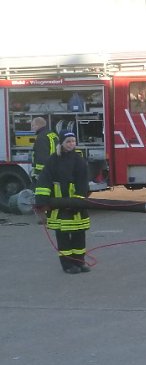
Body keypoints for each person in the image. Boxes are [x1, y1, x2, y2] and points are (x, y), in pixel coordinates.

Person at [33, 131, 91, 274]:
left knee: (79, 234)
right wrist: (41, 201)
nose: (71, 144)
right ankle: (67, 265)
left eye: (73, 141)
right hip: (59, 205)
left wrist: (78, 201)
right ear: (62, 143)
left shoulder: (79, 160)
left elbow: (83, 183)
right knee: (63, 236)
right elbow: (44, 180)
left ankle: (80, 262)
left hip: (76, 205)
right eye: (68, 141)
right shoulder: (53, 160)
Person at [30, 116, 58, 182]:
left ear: (37, 125)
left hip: (45, 172)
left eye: (33, 125)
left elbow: (42, 158)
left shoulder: (41, 137)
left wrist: (38, 173)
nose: (32, 128)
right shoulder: (52, 134)